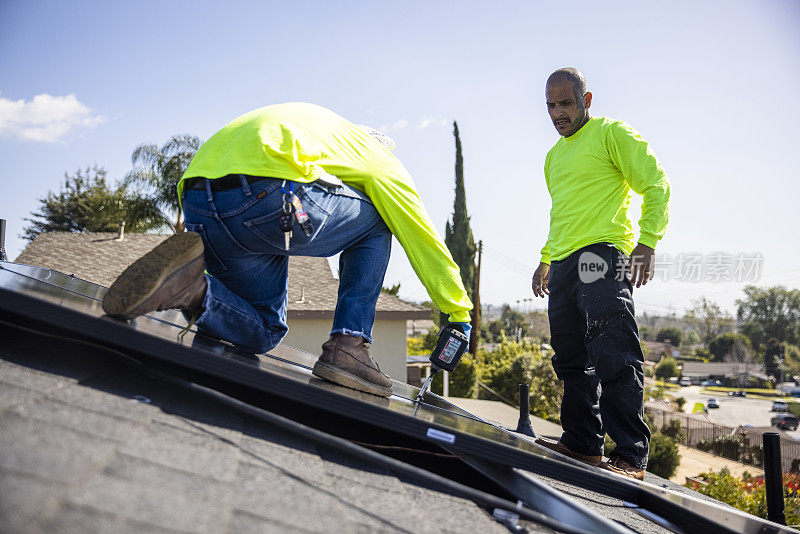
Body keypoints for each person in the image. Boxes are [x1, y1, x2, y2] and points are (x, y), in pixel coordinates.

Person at [103, 102, 472, 397]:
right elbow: (421, 234)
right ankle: (349, 344)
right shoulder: (378, 158)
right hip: (269, 194)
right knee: (381, 218)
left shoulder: (322, 130)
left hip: (199, 200)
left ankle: (194, 290)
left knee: (263, 328)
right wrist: (457, 312)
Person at [531, 68, 671, 480]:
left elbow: (656, 184)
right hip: (564, 263)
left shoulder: (613, 134)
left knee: (613, 351)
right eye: (550, 106)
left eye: (566, 103)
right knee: (571, 358)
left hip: (602, 256)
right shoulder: (553, 157)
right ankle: (583, 443)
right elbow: (562, 214)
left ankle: (630, 455)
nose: (558, 113)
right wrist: (546, 259)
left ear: (586, 100)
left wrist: (647, 242)